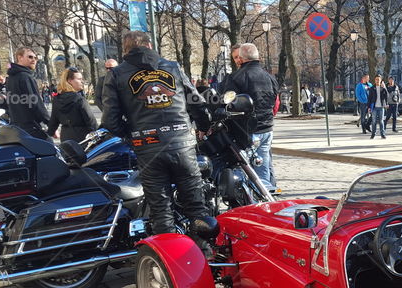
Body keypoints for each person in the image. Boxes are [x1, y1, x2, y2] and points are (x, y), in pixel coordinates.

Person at [101, 30, 212, 240]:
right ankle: (204, 252)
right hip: (182, 143)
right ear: (150, 46)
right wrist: (203, 126)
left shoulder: (116, 74)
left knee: (161, 210)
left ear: (125, 50)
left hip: (148, 146)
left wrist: (133, 137)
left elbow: (110, 121)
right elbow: (197, 103)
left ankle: (170, 254)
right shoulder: (173, 67)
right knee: (196, 206)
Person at [220, 43, 279, 191]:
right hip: (267, 128)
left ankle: (251, 199)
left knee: (246, 171)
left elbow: (228, 103)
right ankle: (266, 196)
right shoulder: (270, 77)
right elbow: (274, 101)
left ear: (241, 58)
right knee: (263, 167)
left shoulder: (235, 78)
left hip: (246, 130)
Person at [6, 47, 50, 139]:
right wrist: (50, 123)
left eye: (35, 58)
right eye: (30, 57)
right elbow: (35, 102)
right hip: (30, 127)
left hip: (16, 127)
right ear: (20, 57)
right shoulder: (25, 77)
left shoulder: (10, 78)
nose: (34, 60)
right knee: (49, 146)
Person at [47, 67, 98, 143]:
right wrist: (98, 135)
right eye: (79, 79)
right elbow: (91, 121)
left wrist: (49, 133)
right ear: (69, 81)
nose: (82, 81)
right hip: (83, 138)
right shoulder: (79, 99)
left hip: (65, 138)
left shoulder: (57, 99)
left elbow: (53, 121)